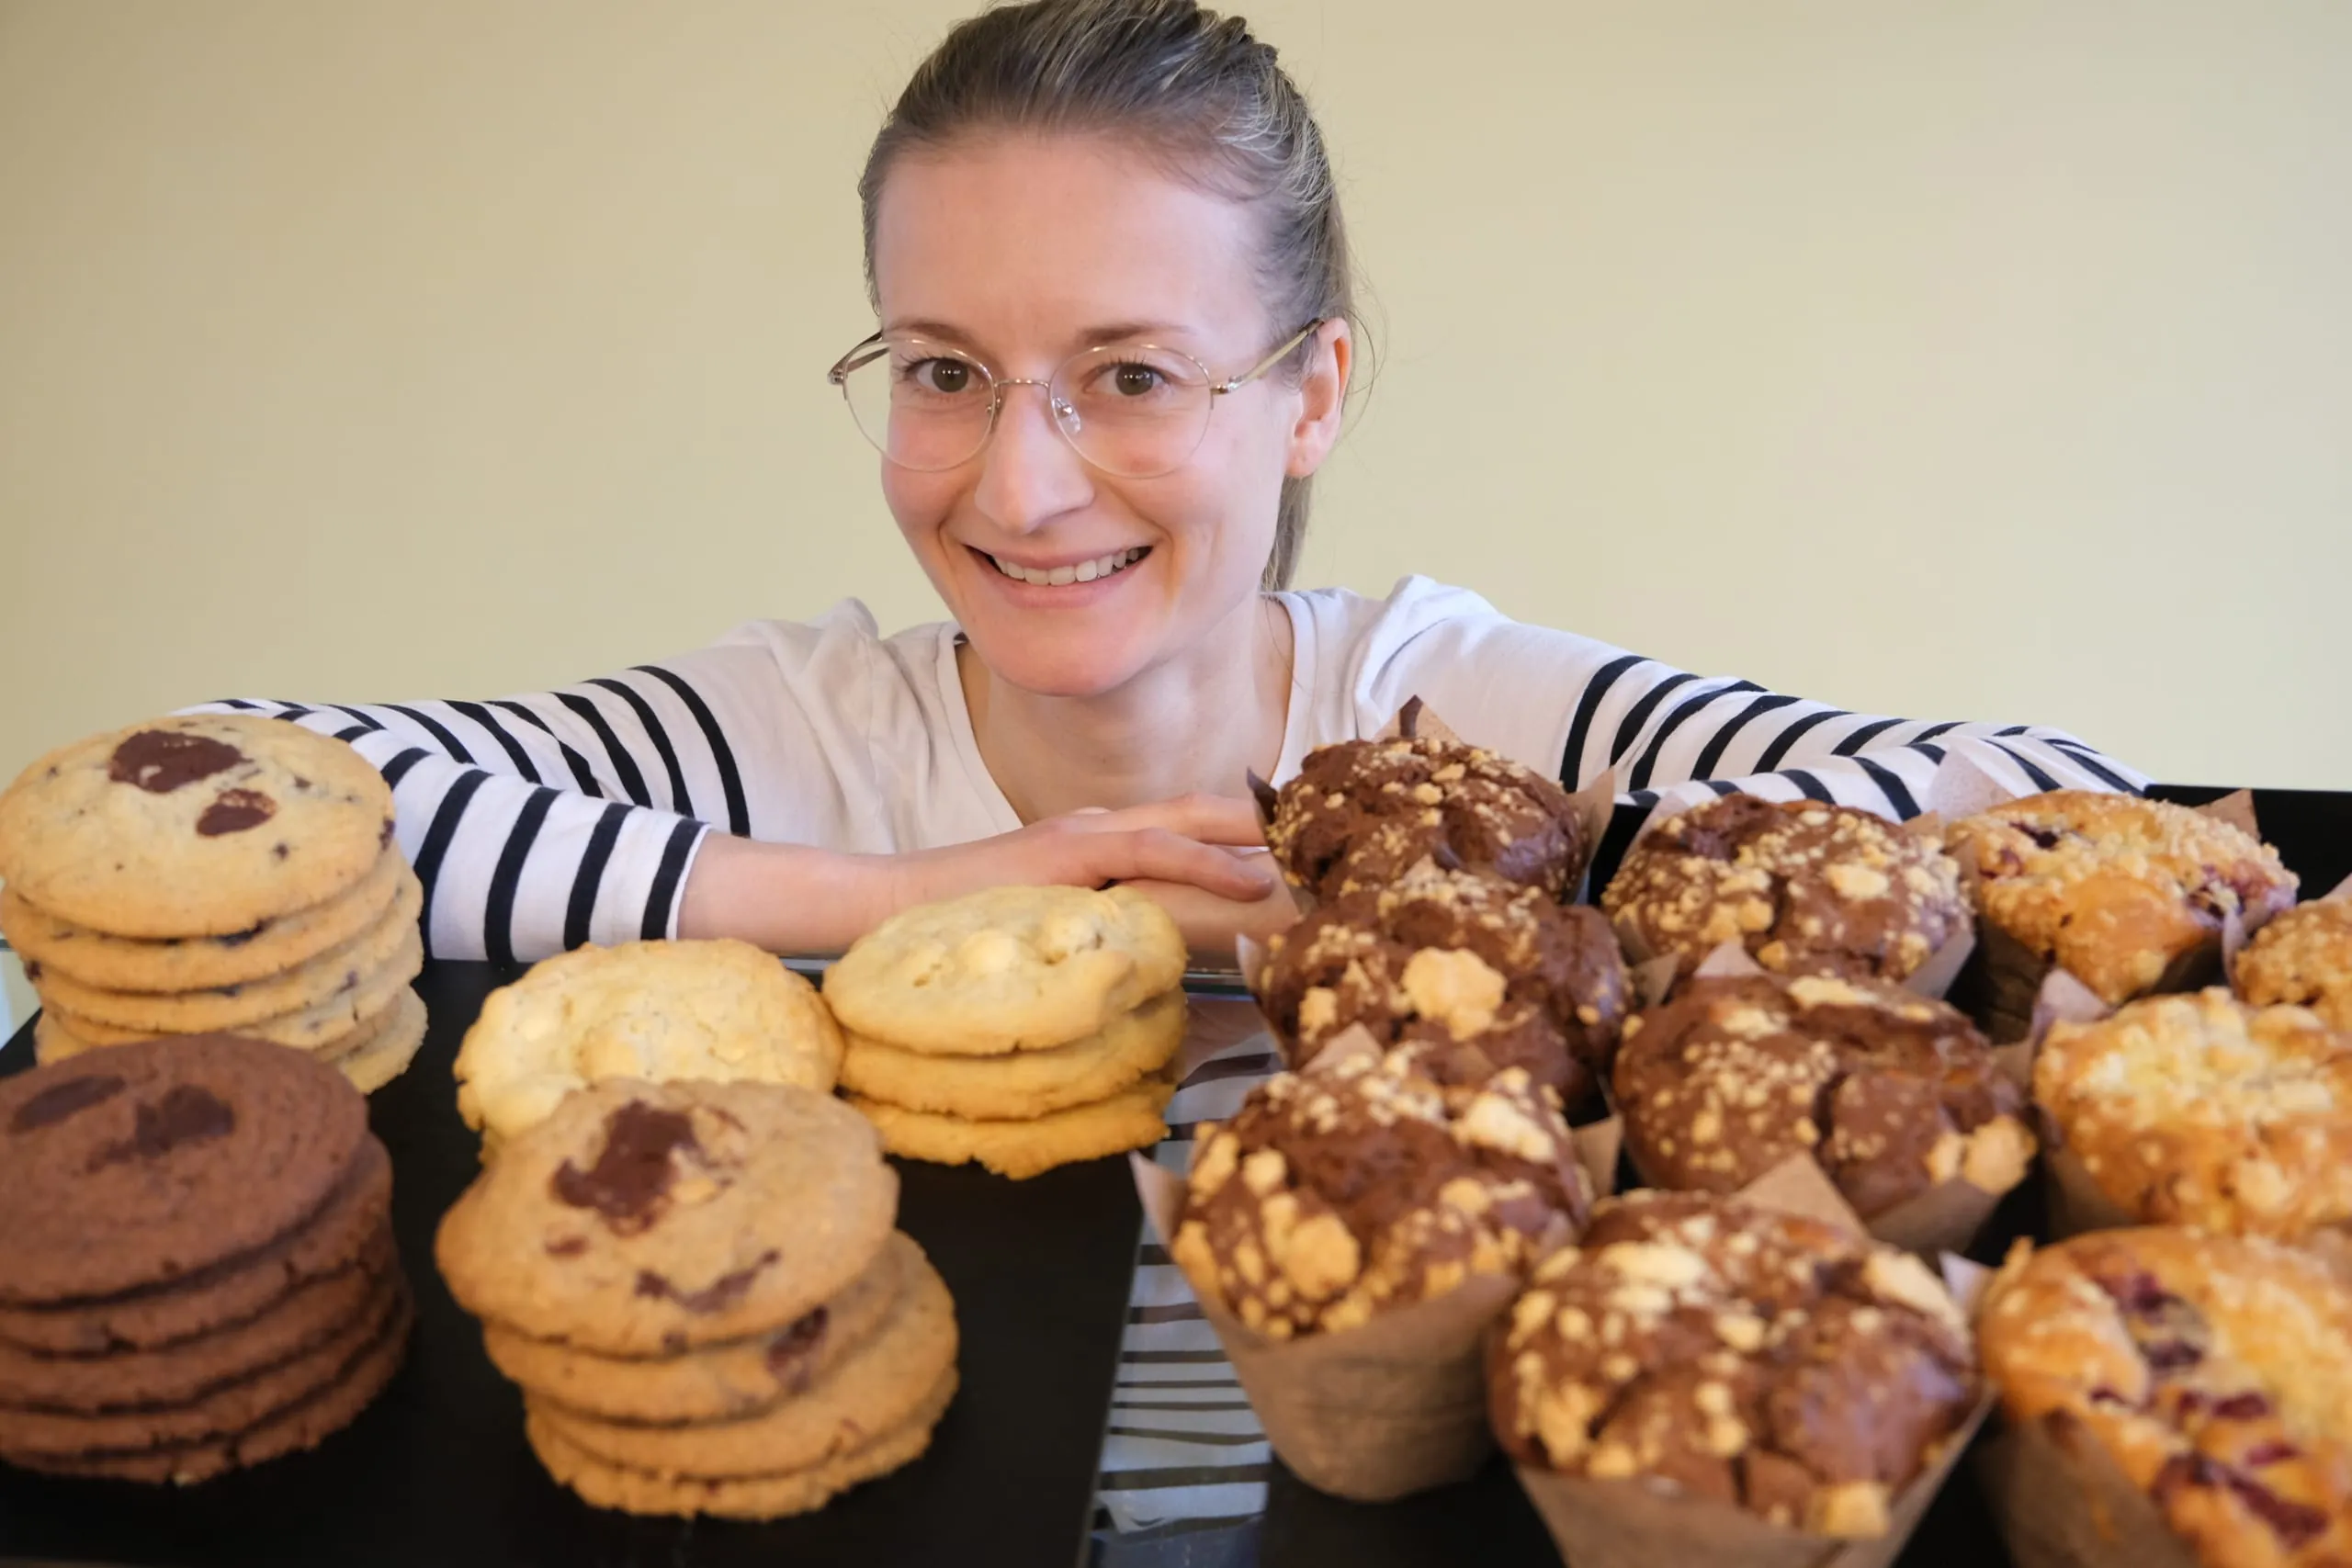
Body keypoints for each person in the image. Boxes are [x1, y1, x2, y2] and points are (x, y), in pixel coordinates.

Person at [202, 0, 2139, 967]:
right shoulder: (796, 742)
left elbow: (2047, 808)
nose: (1018, 483)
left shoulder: (1449, 711)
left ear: (1308, 397)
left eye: (1129, 375)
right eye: (944, 370)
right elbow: (203, 783)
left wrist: (1450, 887)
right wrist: (909, 896)